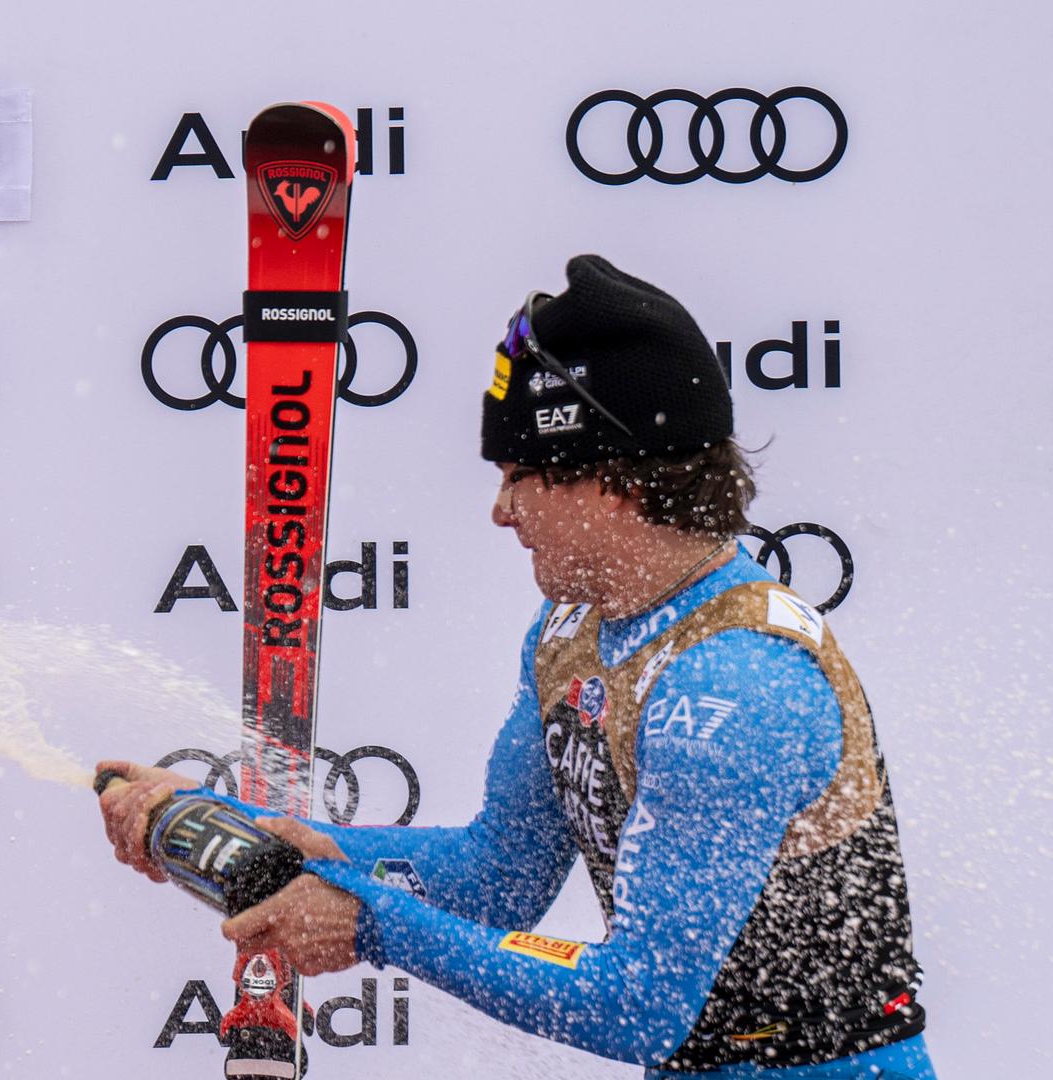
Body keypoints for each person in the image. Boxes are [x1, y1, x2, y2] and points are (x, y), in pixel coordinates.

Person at [98, 256, 935, 1078]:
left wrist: (368, 922)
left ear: (612, 483)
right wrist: (313, 850)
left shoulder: (731, 684)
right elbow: (499, 878)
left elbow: (637, 1005)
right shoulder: (572, 630)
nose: (499, 511)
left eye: (520, 476)